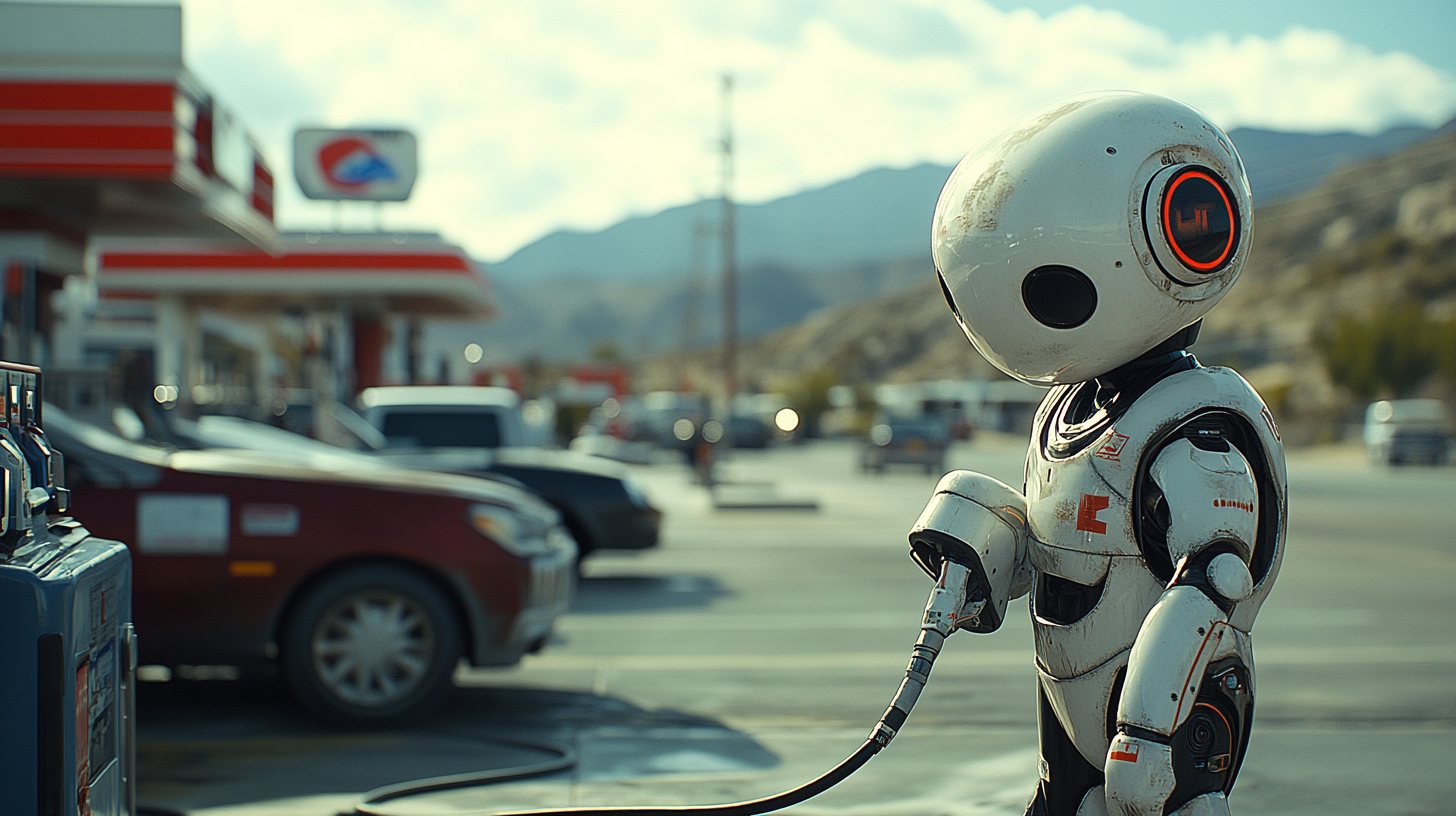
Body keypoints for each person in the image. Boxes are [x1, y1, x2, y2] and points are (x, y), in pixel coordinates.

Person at [909, 91, 1287, 816]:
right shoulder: (1066, 408)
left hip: (1166, 710)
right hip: (1069, 700)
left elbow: (1212, 584)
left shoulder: (1193, 424)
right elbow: (1065, 551)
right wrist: (990, 560)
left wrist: (1147, 732)